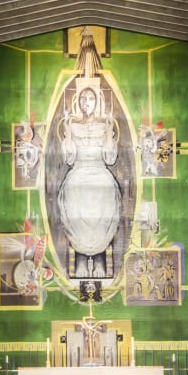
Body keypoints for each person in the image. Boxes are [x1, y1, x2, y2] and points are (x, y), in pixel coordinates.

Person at [57, 83, 122, 279]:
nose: (87, 103)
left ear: (98, 102)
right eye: (83, 99)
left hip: (100, 172)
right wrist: (68, 134)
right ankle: (82, 259)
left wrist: (110, 131)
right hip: (78, 173)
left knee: (104, 197)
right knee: (74, 197)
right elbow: (69, 159)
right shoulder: (73, 125)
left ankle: (100, 258)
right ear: (78, 102)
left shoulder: (104, 126)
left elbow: (110, 159)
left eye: (91, 99)